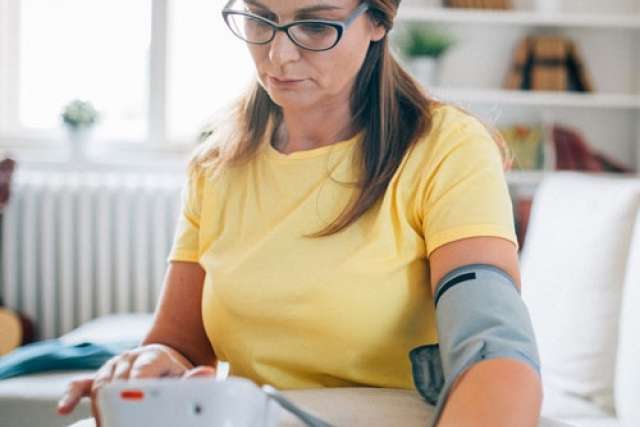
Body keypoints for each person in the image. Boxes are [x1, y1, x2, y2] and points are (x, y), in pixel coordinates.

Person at [57, 0, 542, 426]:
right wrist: (148, 366)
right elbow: (181, 346)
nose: (278, 55)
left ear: (378, 19)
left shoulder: (447, 148)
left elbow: (493, 349)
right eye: (260, 18)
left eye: (314, 25)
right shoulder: (217, 163)